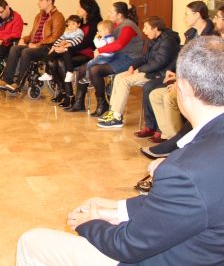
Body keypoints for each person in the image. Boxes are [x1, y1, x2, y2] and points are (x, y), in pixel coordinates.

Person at [16, 36, 224, 266]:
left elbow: (127, 246)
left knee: (31, 241)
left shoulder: (184, 171)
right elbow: (187, 206)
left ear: (183, 88)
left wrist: (89, 222)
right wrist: (117, 210)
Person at [140, 4, 224, 159]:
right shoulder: (196, 35)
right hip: (201, 80)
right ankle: (172, 138)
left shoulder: (211, 37)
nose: (215, 19)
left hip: (208, 84)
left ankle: (178, 143)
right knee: (156, 93)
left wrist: (182, 82)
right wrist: (177, 76)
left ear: (197, 14)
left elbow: (209, 69)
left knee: (176, 96)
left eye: (218, 17)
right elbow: (187, 59)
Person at [97, 16, 180, 129]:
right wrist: (133, 66)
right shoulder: (154, 39)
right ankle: (113, 112)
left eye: (146, 28)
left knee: (125, 81)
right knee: (119, 77)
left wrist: (139, 70)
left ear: (155, 28)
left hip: (158, 74)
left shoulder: (168, 41)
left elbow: (159, 63)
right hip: (150, 70)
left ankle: (116, 118)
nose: (143, 31)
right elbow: (145, 57)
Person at [67, 2, 144, 116]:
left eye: (111, 12)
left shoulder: (128, 26)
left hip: (130, 58)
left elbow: (119, 45)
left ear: (119, 14)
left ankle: (102, 104)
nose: (108, 14)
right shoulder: (115, 25)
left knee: (95, 70)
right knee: (83, 68)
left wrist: (100, 50)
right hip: (117, 55)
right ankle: (79, 103)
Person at [0, 0, 65, 94]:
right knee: (15, 48)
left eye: (41, 0)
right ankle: (6, 80)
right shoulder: (38, 16)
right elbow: (32, 35)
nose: (38, 3)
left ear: (49, 1)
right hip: (35, 46)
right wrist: (24, 39)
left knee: (26, 52)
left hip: (48, 48)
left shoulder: (58, 17)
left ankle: (18, 84)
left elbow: (55, 37)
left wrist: (37, 45)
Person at [51, 0, 103, 108]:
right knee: (52, 62)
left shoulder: (95, 23)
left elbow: (88, 43)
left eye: (80, 7)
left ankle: (69, 96)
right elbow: (70, 38)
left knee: (61, 62)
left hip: (88, 53)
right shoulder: (80, 22)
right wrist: (63, 45)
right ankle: (64, 91)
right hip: (75, 51)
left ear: (87, 9)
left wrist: (68, 48)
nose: (78, 9)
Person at [38, 14, 84, 82]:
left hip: (72, 50)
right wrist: (54, 47)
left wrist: (67, 44)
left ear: (78, 24)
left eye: (73, 24)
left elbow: (77, 40)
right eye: (69, 24)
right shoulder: (67, 32)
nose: (70, 26)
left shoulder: (79, 32)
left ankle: (69, 72)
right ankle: (48, 73)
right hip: (62, 47)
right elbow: (59, 39)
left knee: (67, 55)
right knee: (50, 56)